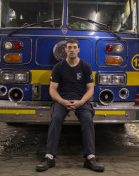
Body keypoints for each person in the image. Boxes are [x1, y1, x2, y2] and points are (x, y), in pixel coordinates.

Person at [36, 38, 104, 172]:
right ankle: (49, 157)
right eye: (69, 47)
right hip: (62, 100)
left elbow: (90, 89)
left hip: (81, 101)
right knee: (55, 118)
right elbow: (52, 89)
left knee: (87, 119)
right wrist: (62, 101)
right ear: (65, 50)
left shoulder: (85, 66)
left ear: (78, 50)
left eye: (74, 47)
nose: (72, 50)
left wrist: (81, 102)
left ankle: (90, 158)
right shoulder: (58, 67)